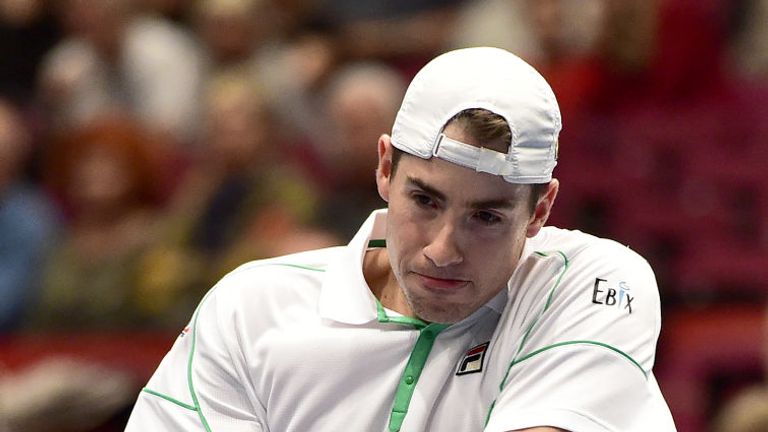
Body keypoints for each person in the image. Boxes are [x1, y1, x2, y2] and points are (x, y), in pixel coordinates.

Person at [125, 47, 677, 431]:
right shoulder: (248, 308)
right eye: (426, 201)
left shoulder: (596, 283)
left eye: (486, 217)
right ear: (385, 167)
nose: (443, 247)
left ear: (541, 211)